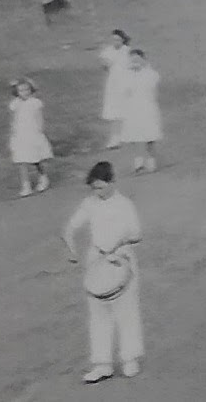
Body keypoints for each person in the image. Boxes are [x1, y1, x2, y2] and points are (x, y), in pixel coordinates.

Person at [62, 161, 145, 385]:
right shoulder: (89, 203)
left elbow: (137, 234)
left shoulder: (125, 204)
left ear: (111, 183)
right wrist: (71, 248)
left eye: (100, 187)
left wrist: (117, 244)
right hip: (96, 262)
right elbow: (70, 227)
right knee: (98, 314)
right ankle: (102, 364)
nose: (97, 192)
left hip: (121, 260)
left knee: (126, 312)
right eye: (94, 188)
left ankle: (130, 359)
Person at [118, 48, 162, 174]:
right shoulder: (126, 75)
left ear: (143, 60)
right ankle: (138, 161)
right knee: (134, 135)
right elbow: (123, 91)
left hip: (148, 107)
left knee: (150, 135)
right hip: (132, 108)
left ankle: (151, 160)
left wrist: (143, 70)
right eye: (132, 60)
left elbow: (152, 85)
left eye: (138, 59)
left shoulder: (151, 74)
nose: (135, 62)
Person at [8, 77, 53, 197]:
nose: (25, 92)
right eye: (21, 90)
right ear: (17, 92)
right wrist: (14, 132)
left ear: (31, 90)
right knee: (22, 161)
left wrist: (39, 131)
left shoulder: (35, 103)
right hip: (21, 135)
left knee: (36, 159)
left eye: (27, 89)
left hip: (33, 134)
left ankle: (43, 178)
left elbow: (39, 119)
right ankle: (26, 185)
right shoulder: (15, 104)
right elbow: (14, 119)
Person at [99, 29, 133, 150]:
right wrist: (106, 62)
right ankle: (115, 138)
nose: (115, 42)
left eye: (118, 40)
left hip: (126, 82)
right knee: (114, 112)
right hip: (113, 84)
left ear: (123, 40)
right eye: (113, 40)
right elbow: (105, 67)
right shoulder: (108, 51)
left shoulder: (128, 51)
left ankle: (129, 135)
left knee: (128, 109)